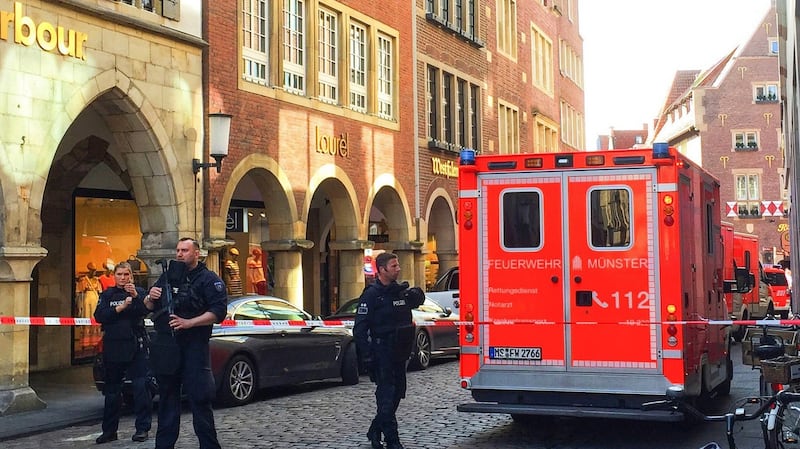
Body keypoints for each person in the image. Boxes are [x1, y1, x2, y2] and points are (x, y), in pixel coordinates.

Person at [143, 238, 227, 449]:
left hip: (194, 347)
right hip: (169, 347)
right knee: (167, 402)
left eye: (185, 250)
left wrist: (190, 323)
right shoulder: (168, 276)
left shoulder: (208, 279)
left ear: (197, 253)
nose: (179, 254)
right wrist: (150, 297)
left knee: (200, 400)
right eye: (178, 250)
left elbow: (218, 312)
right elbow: (148, 305)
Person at [353, 252, 425, 449]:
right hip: (381, 351)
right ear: (382, 270)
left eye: (397, 265)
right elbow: (359, 329)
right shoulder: (371, 295)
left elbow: (417, 300)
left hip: (400, 352)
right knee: (386, 395)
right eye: (394, 266)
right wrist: (367, 355)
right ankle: (393, 441)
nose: (398, 268)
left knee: (397, 393)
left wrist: (416, 294)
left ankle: (375, 429)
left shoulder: (399, 292)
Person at [93, 262, 152, 444]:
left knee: (141, 388)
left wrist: (134, 297)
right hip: (114, 347)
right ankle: (109, 431)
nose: (123, 277)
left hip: (135, 345)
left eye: (126, 274)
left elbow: (146, 310)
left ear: (131, 276)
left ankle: (142, 429)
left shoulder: (139, 293)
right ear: (114, 275)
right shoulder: (108, 295)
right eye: (119, 274)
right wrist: (119, 308)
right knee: (112, 391)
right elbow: (99, 315)